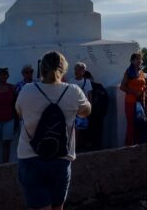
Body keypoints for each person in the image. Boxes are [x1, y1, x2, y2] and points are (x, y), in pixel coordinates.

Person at [16, 51, 90, 210]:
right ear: (63, 70)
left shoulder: (27, 90)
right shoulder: (73, 90)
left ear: (41, 69)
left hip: (30, 157)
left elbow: (19, 112)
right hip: (60, 157)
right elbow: (86, 111)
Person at [119, 53, 147, 146]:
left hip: (141, 101)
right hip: (130, 102)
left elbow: (145, 85)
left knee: (140, 123)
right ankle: (128, 147)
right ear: (132, 61)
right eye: (137, 59)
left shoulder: (142, 72)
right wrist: (134, 92)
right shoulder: (128, 72)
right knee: (131, 125)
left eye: (140, 59)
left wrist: (144, 89)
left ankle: (138, 145)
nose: (139, 61)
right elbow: (122, 87)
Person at [83, 71, 108, 151]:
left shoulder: (84, 87)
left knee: (88, 132)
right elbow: (106, 99)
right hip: (98, 114)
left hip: (91, 114)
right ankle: (96, 146)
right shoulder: (99, 86)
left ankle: (89, 146)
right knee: (96, 131)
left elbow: (106, 99)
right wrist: (104, 112)